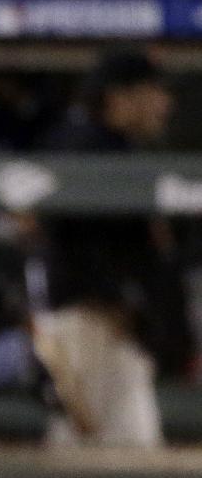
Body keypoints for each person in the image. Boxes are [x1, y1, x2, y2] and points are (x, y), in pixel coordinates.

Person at [32, 49, 194, 447]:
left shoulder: (124, 151)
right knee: (97, 458)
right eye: (152, 92)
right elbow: (62, 238)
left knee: (124, 453)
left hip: (115, 333)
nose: (164, 103)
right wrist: (114, 299)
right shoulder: (79, 145)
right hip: (87, 326)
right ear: (118, 97)